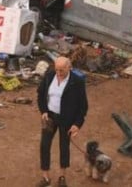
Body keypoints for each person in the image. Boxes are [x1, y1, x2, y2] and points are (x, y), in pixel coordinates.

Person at [36, 56, 88, 187]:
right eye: (57, 69)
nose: (58, 73)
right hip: (50, 117)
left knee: (64, 147)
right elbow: (40, 94)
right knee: (44, 145)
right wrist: (43, 111)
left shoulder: (77, 82)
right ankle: (46, 177)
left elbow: (83, 106)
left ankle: (62, 177)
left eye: (62, 70)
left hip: (67, 120)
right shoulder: (49, 76)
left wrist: (77, 124)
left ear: (69, 68)